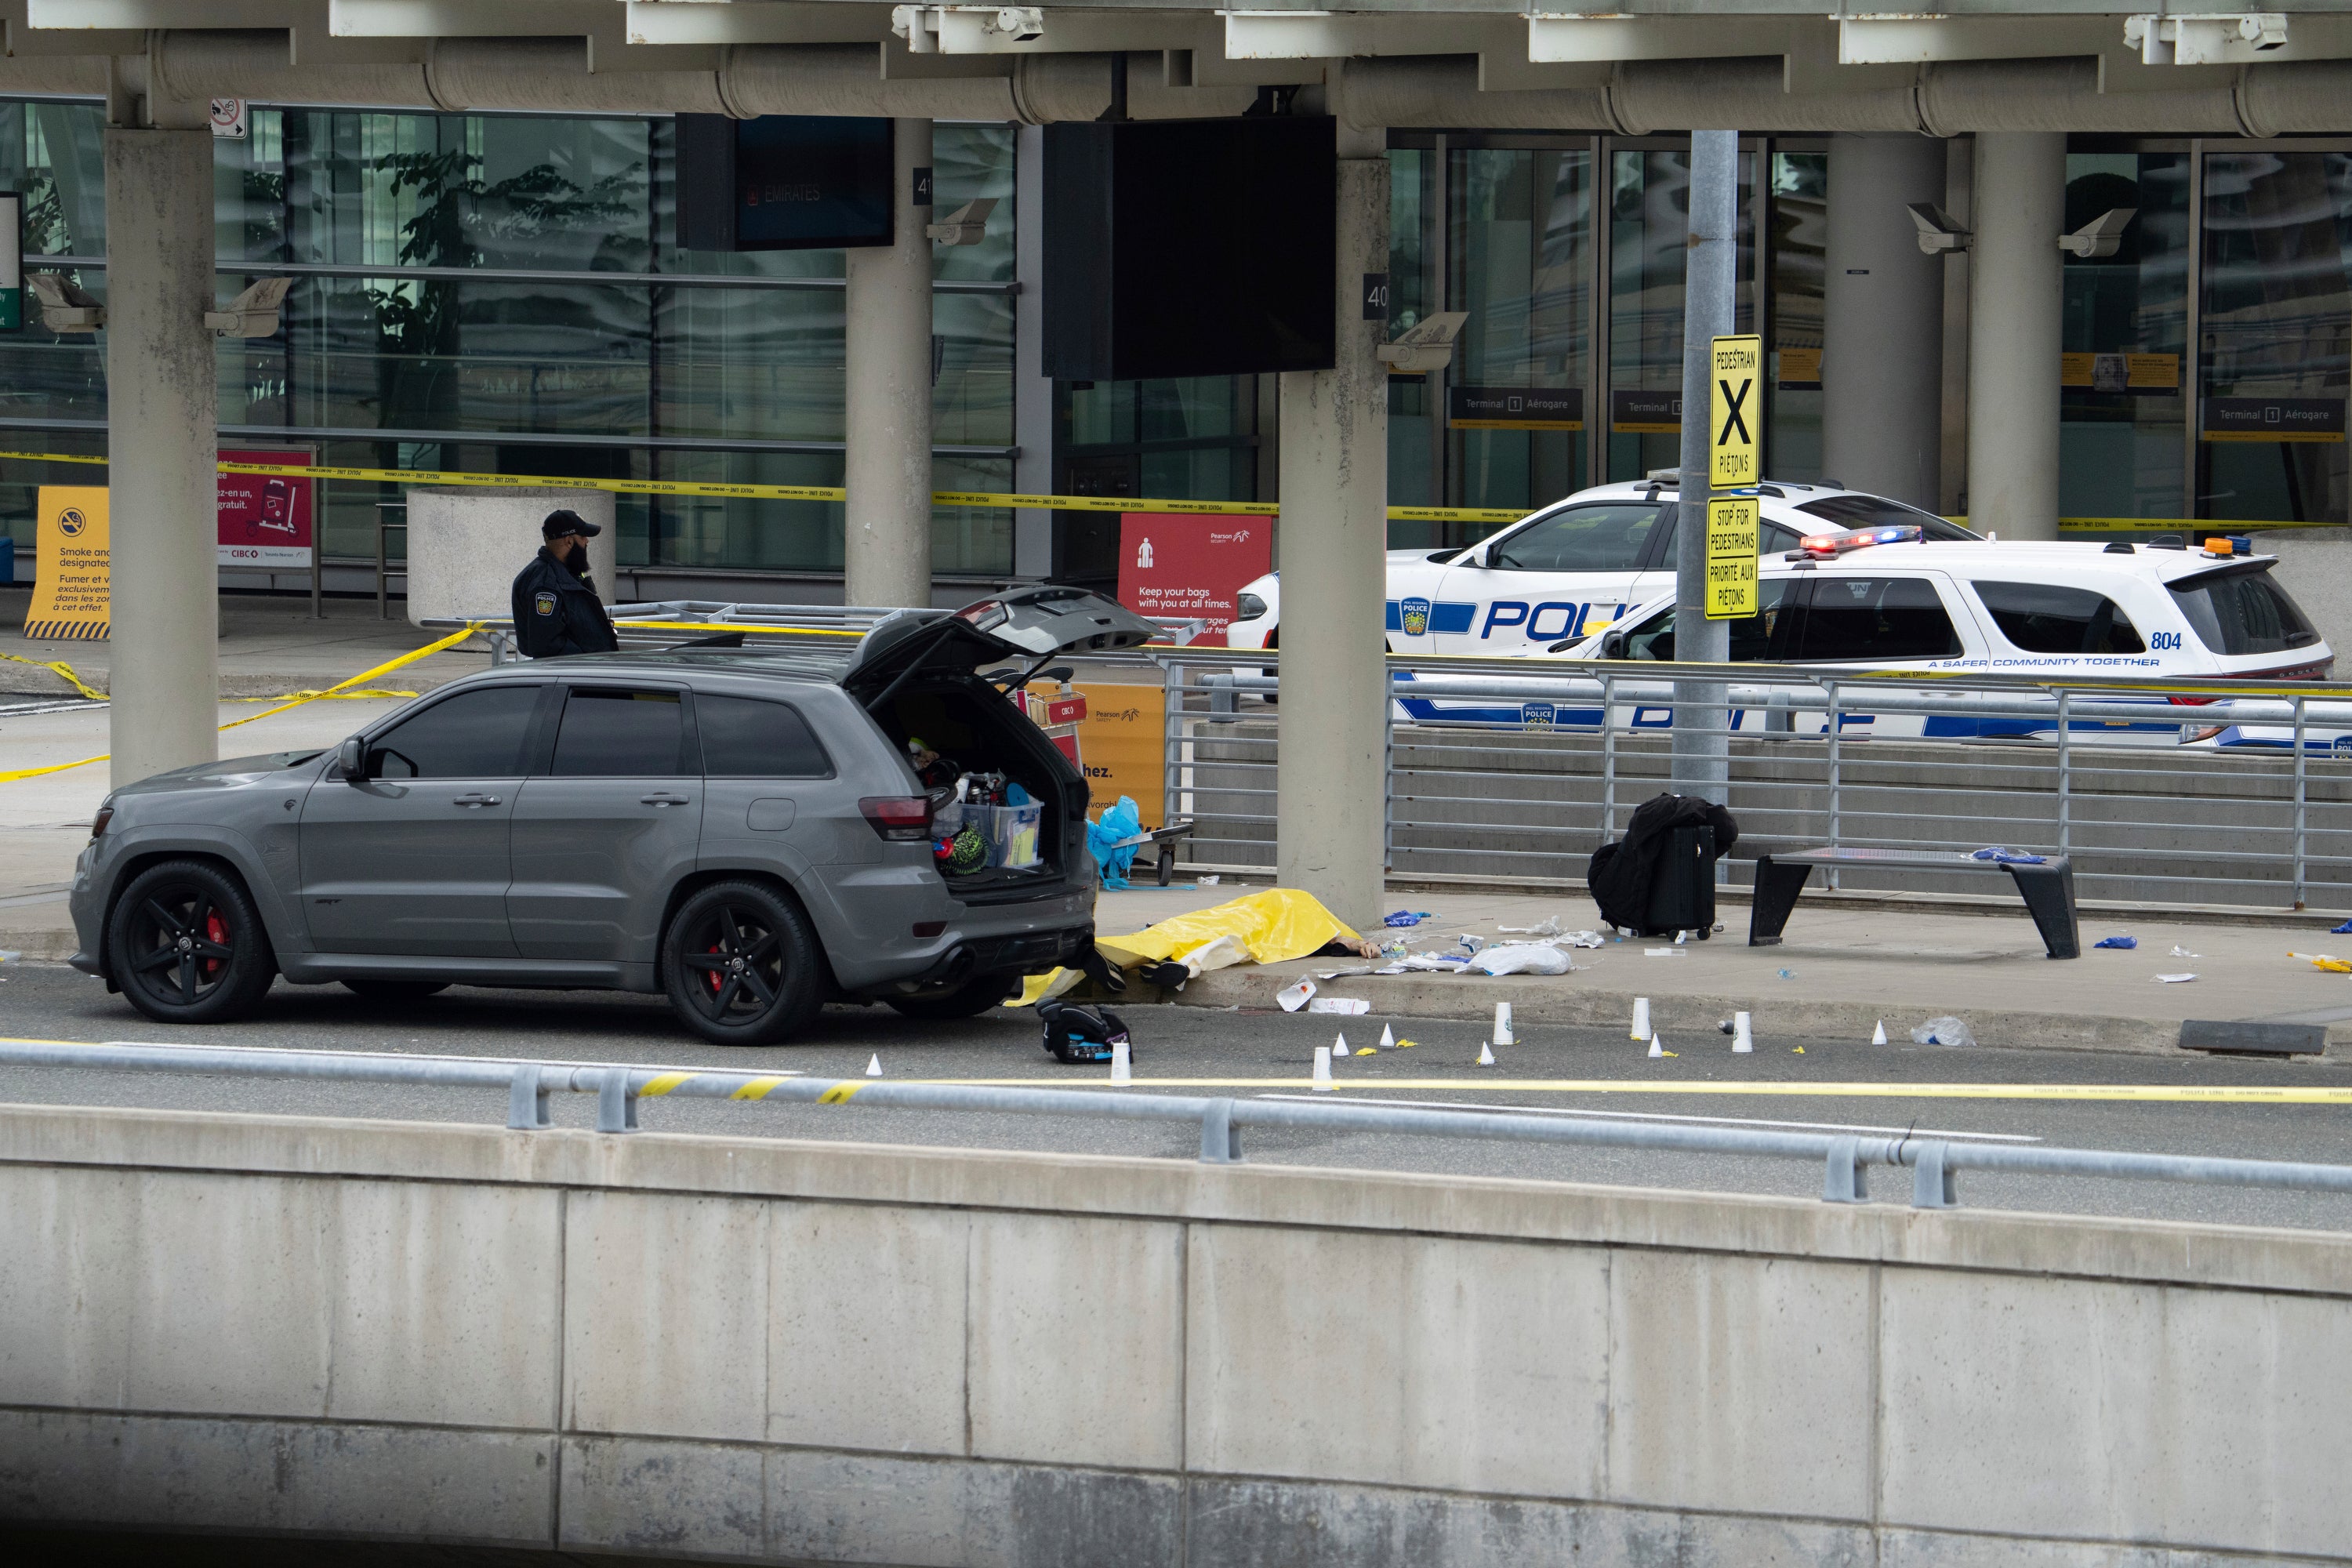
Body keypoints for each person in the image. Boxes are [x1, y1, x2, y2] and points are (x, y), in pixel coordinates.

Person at [510, 508, 619, 658]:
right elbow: (546, 644)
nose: (587, 541)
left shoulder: (565, 572)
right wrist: (588, 658)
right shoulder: (545, 583)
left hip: (581, 671)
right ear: (569, 541)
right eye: (583, 536)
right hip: (572, 673)